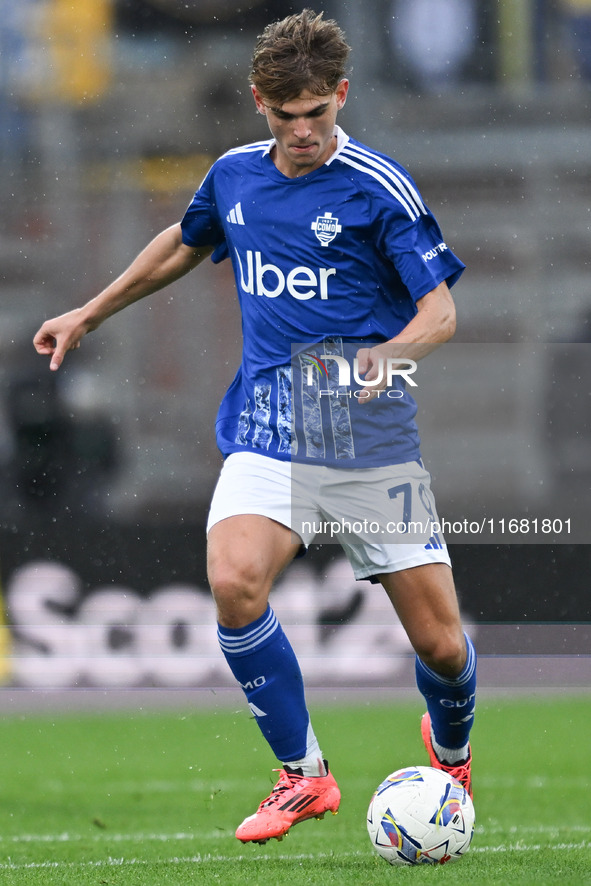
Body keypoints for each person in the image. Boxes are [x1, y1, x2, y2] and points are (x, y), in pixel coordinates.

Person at [33, 9, 476, 846]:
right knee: (234, 580)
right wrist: (89, 312)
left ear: (340, 96)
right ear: (258, 103)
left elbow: (441, 311)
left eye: (318, 112)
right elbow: (183, 242)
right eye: (286, 115)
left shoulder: (377, 188)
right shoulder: (235, 176)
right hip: (268, 430)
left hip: (369, 444)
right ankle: (302, 776)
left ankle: (448, 751)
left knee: (443, 647)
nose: (304, 131)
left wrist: (391, 351)